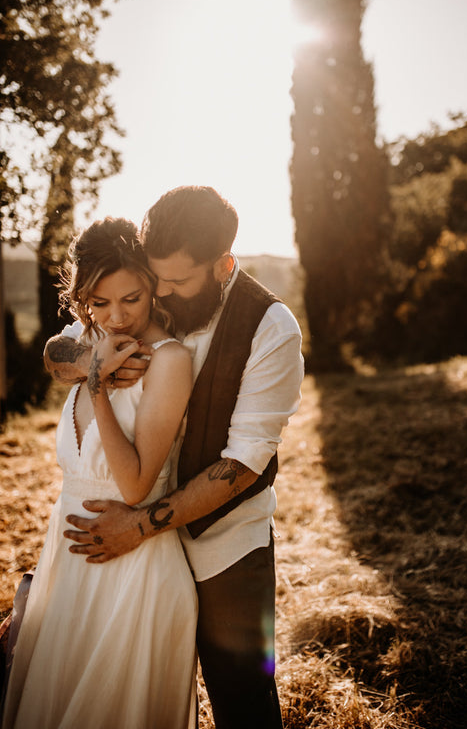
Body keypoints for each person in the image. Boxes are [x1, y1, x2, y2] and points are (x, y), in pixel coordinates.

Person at [43, 186, 305, 729]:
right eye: (155, 279)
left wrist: (139, 526)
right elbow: (56, 350)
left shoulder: (270, 328)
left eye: (178, 281)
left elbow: (242, 466)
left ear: (223, 264)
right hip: (129, 546)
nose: (162, 290)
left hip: (222, 542)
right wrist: (95, 359)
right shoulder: (146, 294)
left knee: (241, 699)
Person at [2, 218, 198, 729]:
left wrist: (96, 384)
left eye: (131, 299)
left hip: (132, 574)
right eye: (98, 302)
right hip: (66, 563)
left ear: (152, 285)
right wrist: (93, 358)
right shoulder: (92, 337)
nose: (116, 317)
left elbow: (134, 484)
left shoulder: (169, 361)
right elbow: (52, 353)